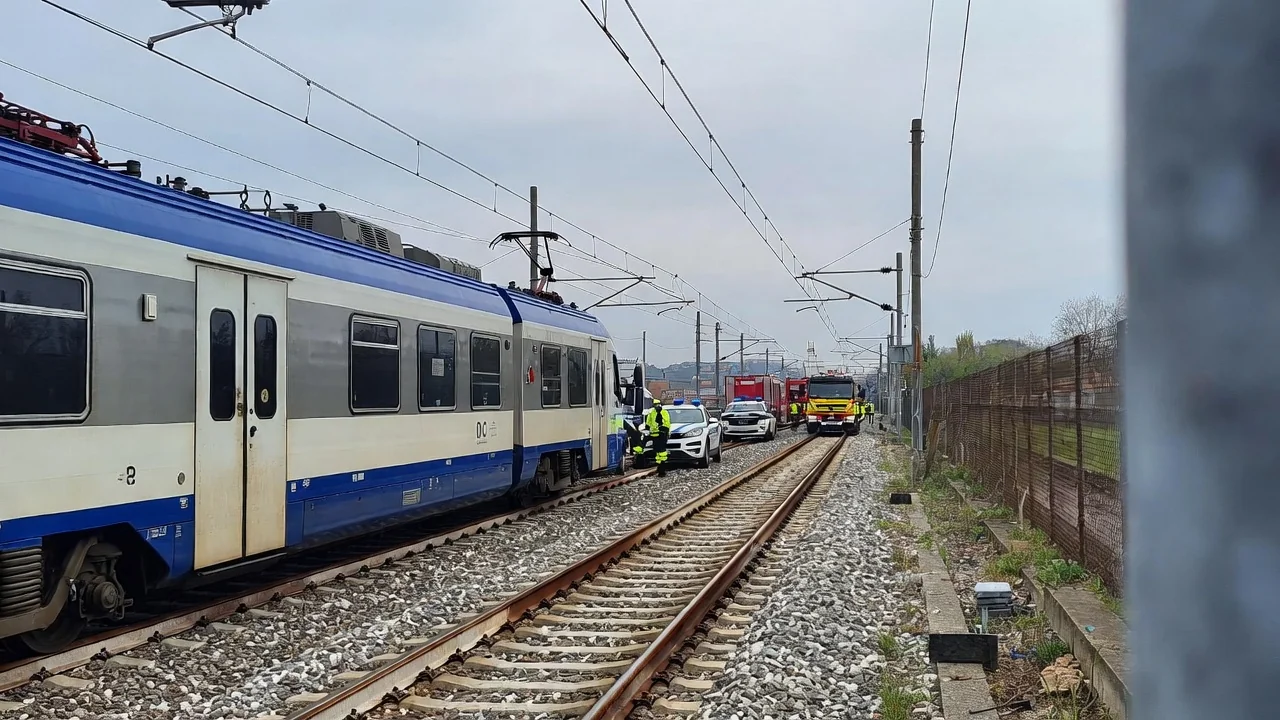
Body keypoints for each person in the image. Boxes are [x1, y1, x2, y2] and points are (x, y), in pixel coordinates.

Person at [645, 397, 671, 476]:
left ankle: (662, 468)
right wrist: (647, 427)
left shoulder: (664, 412)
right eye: (655, 405)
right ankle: (660, 467)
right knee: (657, 452)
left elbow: (667, 422)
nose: (656, 406)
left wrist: (664, 429)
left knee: (662, 451)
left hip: (662, 434)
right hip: (654, 434)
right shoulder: (652, 413)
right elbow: (648, 422)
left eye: (657, 405)